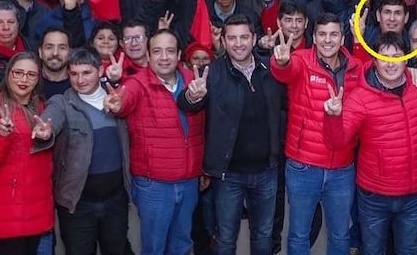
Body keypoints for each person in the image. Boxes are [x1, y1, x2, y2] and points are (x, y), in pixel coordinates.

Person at [178, 14, 286, 255]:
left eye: (244, 37)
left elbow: (287, 104)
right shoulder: (211, 73)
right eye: (232, 38)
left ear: (254, 39)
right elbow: (187, 103)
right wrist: (191, 96)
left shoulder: (271, 69)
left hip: (266, 171)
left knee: (264, 235)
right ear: (224, 42)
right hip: (228, 174)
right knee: (225, 238)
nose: (239, 43)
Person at [323, 32, 417, 255]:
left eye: (397, 56)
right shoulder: (360, 97)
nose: (390, 63)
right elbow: (337, 141)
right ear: (374, 60)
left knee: (409, 250)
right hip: (374, 196)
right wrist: (334, 116)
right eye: (383, 57)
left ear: (407, 59)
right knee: (372, 251)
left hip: (413, 195)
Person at [103, 29, 206, 255]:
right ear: (148, 56)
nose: (164, 57)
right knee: (154, 248)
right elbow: (124, 100)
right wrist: (116, 104)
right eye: (157, 51)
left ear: (179, 55)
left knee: (182, 246)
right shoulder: (136, 83)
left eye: (170, 51)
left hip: (189, 181)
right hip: (155, 185)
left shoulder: (193, 80)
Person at [270, 12, 362, 255]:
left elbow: (385, 72)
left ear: (343, 38)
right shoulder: (301, 60)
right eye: (322, 34)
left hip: (342, 168)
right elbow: (285, 70)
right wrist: (280, 61)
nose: (328, 40)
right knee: (300, 234)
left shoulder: (355, 67)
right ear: (314, 37)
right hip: (304, 167)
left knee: (340, 234)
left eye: (333, 34)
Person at [31, 48, 132, 254]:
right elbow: (51, 119)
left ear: (100, 70)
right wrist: (45, 133)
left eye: (86, 73)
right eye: (74, 74)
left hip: (115, 200)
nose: (80, 80)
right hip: (77, 204)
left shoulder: (117, 98)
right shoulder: (62, 103)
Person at [0, 52, 54, 255]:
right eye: (18, 73)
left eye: (31, 75)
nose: (24, 79)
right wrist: (1, 135)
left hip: (38, 212)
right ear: (8, 74)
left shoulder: (42, 106)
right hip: (6, 216)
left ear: (38, 79)